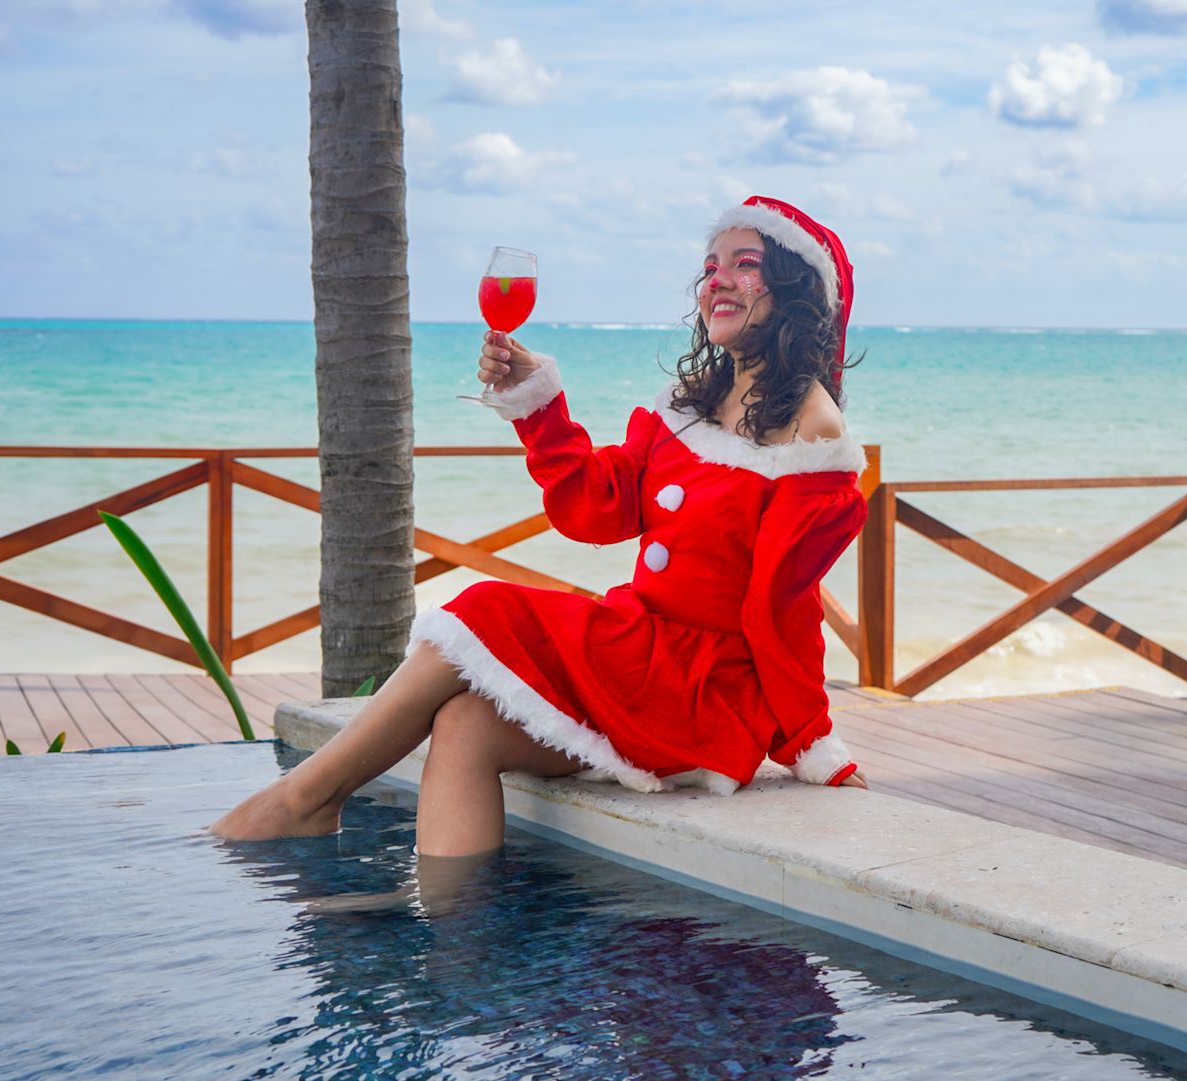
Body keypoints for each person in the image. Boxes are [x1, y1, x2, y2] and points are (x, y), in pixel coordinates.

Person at [210, 196, 872, 860]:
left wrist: (812, 742)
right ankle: (457, 947)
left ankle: (306, 800)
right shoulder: (691, 402)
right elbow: (597, 510)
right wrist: (539, 407)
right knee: (465, 723)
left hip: (703, 690)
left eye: (744, 263)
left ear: (795, 291)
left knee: (485, 606)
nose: (717, 280)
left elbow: (780, 606)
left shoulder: (812, 431)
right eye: (710, 266)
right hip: (639, 656)